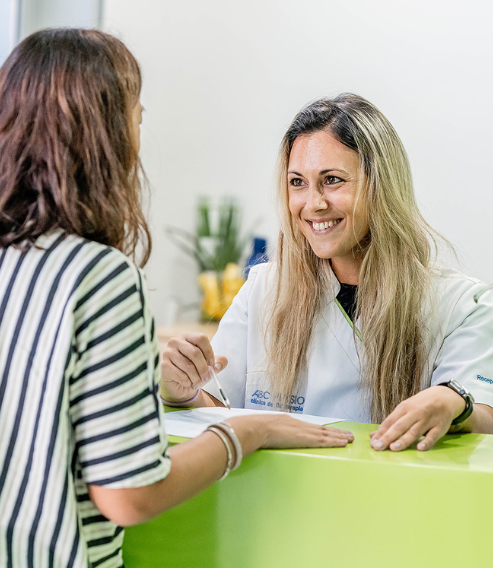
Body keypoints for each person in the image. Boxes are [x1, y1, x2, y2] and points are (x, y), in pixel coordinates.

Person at [0, 29, 353, 568]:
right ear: (106, 135)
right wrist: (247, 431)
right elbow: (129, 495)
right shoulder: (100, 277)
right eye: (137, 117)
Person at [160, 93, 493, 451]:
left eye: (332, 180)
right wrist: (183, 392)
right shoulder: (263, 290)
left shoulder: (458, 302)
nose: (313, 204)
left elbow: (483, 413)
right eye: (297, 182)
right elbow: (220, 409)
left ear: (381, 186)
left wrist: (450, 401)